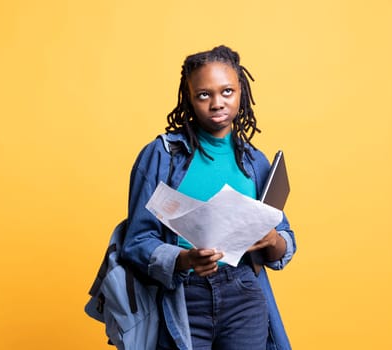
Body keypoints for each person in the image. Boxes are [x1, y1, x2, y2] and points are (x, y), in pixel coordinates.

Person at [121, 45, 297, 350]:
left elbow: (283, 242)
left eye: (227, 91)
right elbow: (137, 242)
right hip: (184, 297)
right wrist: (184, 259)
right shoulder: (162, 156)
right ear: (189, 98)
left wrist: (272, 240)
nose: (217, 103)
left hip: (243, 294)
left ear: (241, 91)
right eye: (204, 95)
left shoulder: (255, 162)